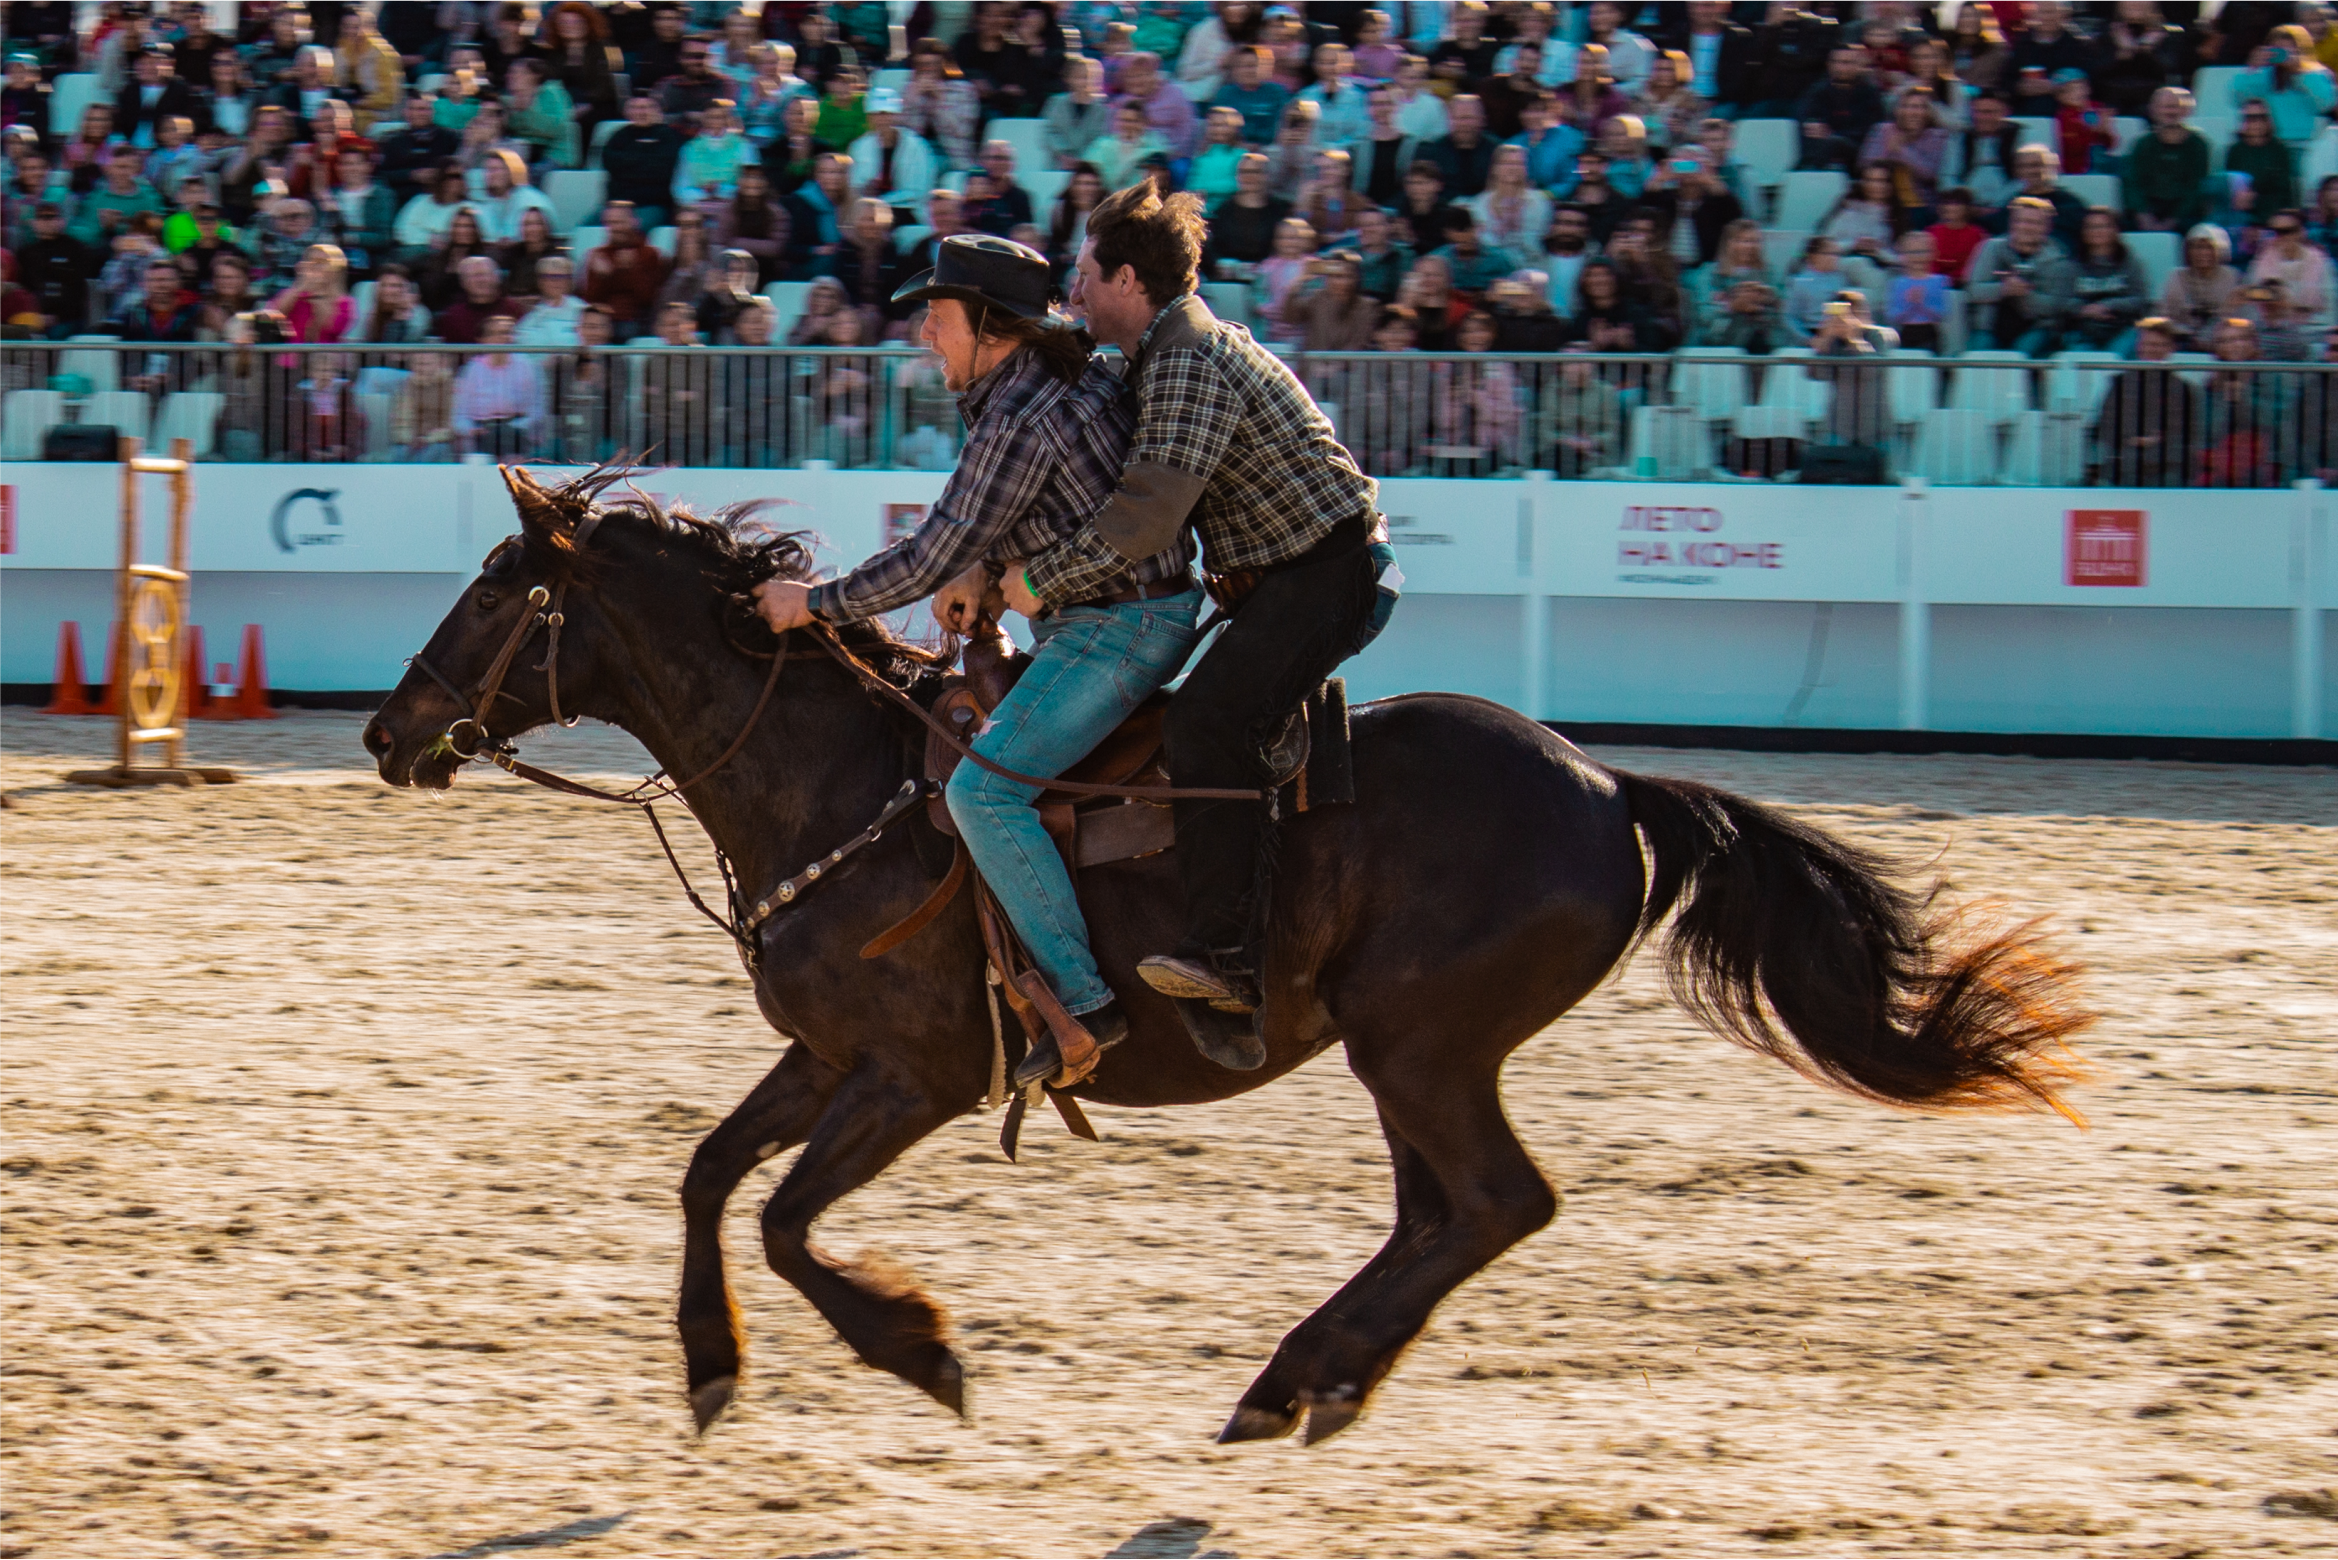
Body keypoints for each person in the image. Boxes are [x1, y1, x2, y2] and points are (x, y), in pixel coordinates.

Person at [752, 234, 1196, 1087]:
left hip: (1118, 629)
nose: (924, 333)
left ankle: (1085, 1002)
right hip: (1121, 614)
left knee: (983, 789)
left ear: (992, 328)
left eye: (937, 316)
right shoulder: (1054, 383)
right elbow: (991, 534)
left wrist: (810, 604)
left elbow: (923, 557)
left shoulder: (1020, 419)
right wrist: (983, 566)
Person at [1005, 183, 1392, 1054]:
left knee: (1212, 719)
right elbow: (1087, 368)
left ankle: (1230, 964)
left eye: (1083, 275)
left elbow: (1145, 515)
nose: (1074, 290)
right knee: (1216, 716)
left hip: (1328, 576)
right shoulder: (1163, 348)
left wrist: (1042, 582)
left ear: (1129, 280)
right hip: (1306, 571)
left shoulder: (1185, 360)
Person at [452, 309, 545, 456]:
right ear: (483, 340)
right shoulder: (471, 370)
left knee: (509, 442)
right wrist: (471, 430)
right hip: (481, 432)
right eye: (498, 333)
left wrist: (515, 428)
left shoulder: (528, 366)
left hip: (516, 431)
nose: (505, 338)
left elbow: (536, 410)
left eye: (508, 333)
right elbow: (460, 414)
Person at [2127, 86, 2211, 234]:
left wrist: (2174, 220)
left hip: (2185, 212)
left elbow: (2196, 187)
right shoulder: (2142, 144)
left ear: (2186, 111)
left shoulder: (2198, 144)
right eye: (2164, 107)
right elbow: (2133, 183)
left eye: (2174, 107)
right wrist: (2143, 215)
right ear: (2153, 110)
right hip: (2149, 208)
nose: (2170, 112)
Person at [583, 199, 672, 335]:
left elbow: (649, 299)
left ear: (634, 222)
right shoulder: (599, 255)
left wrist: (628, 271)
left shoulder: (650, 254)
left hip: (638, 320)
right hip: (603, 321)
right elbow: (591, 299)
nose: (615, 228)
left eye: (620, 222)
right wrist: (603, 277)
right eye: (610, 223)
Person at [604, 94, 685, 230]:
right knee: (585, 228)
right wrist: (645, 159)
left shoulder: (670, 136)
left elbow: (663, 170)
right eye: (635, 107)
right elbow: (610, 163)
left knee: (632, 229)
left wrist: (629, 163)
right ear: (627, 112)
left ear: (658, 111)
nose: (641, 112)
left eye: (647, 107)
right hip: (617, 205)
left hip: (653, 205)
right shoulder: (619, 136)